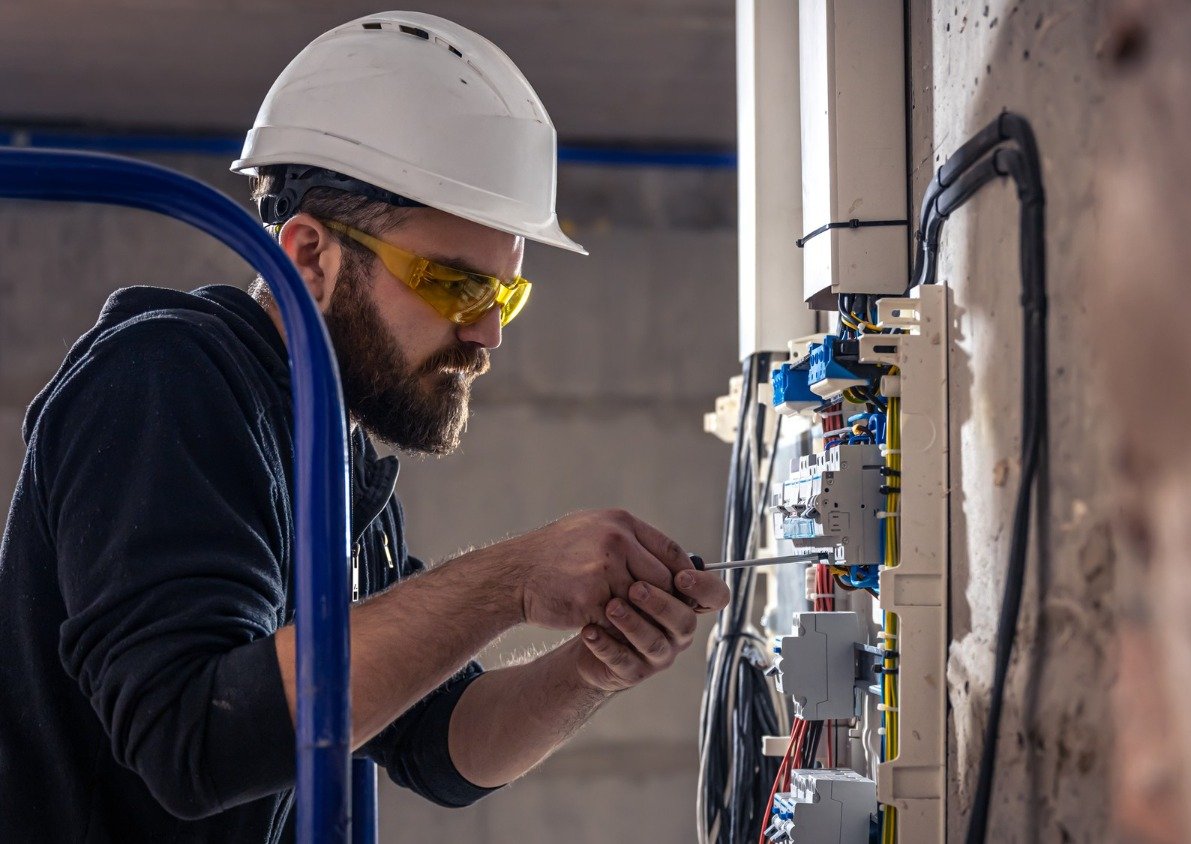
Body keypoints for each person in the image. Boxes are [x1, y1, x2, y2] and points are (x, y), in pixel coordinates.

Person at [0, 12, 727, 842]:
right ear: (309, 255)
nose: (488, 333)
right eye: (456, 285)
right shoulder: (166, 383)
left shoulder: (333, 453)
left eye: (504, 295)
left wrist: (591, 667)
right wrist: (513, 579)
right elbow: (196, 738)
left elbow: (438, 743)